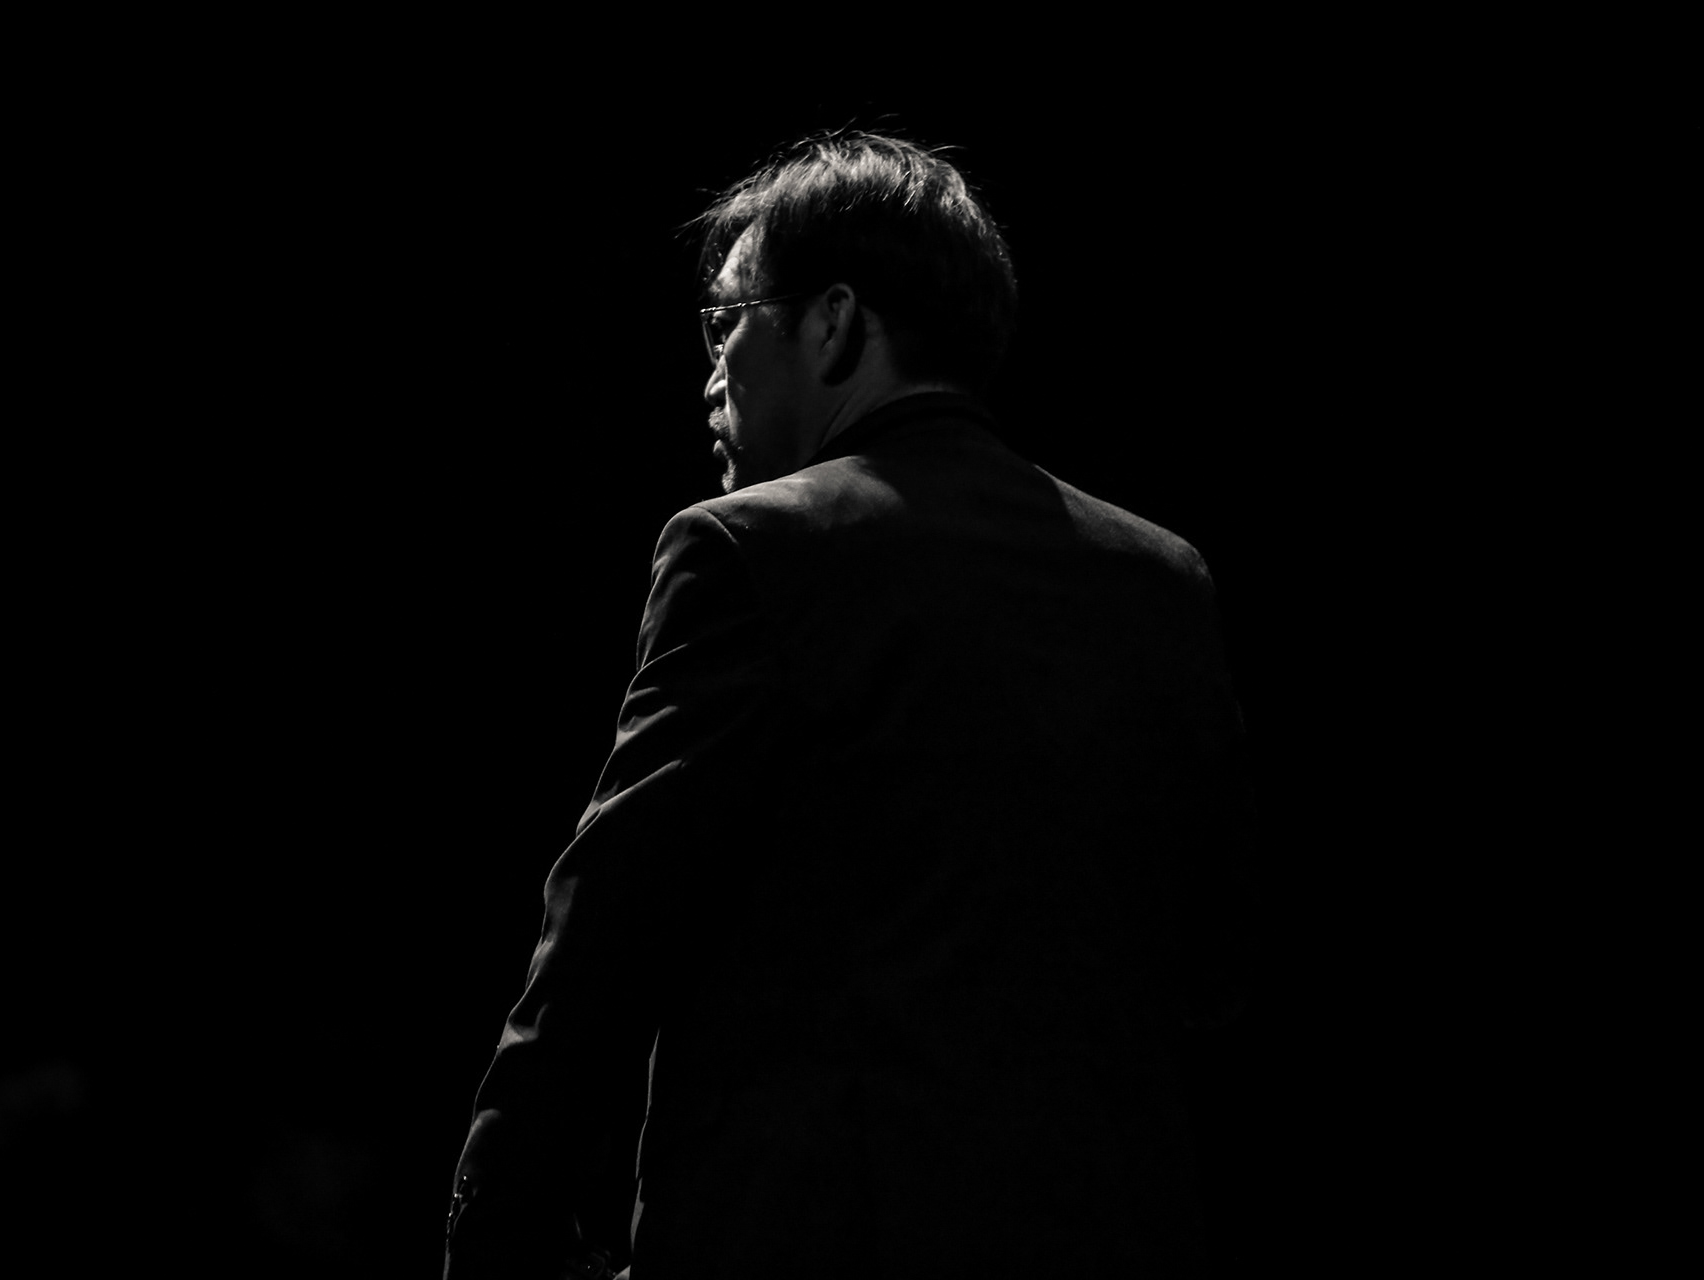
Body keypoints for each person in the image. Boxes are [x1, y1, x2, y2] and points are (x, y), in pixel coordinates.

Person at [444, 131, 1255, 1279]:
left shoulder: (749, 551)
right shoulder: (1165, 582)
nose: (709, 374)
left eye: (726, 323)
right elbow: (1211, 980)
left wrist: (497, 1238)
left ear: (834, 322)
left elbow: (605, 936)